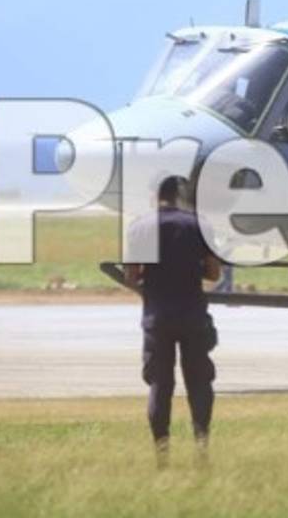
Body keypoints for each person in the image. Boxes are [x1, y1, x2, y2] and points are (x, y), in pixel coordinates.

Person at [124, 178, 221, 466]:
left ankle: (161, 454)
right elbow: (214, 274)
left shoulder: (139, 227)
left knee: (159, 385)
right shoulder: (198, 224)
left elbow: (131, 277)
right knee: (199, 383)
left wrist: (151, 293)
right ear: (180, 196)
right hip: (193, 313)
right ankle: (202, 448)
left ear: (155, 195)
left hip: (157, 317)